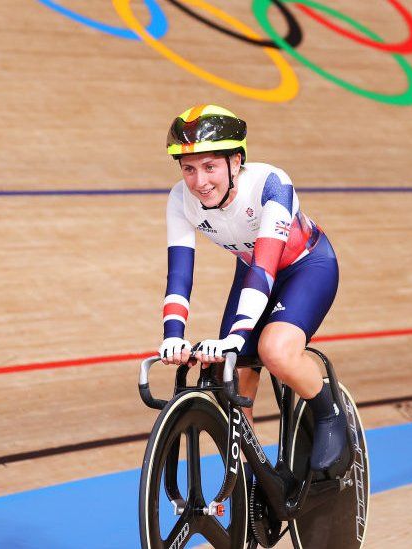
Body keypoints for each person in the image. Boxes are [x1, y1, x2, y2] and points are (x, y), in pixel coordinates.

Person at [156, 104, 349, 476]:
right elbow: (179, 276)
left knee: (273, 351)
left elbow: (265, 266)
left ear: (236, 162)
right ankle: (255, 475)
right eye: (189, 168)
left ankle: (330, 413)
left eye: (210, 166)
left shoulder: (271, 184)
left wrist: (238, 334)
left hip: (305, 268)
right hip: (252, 272)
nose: (199, 182)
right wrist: (172, 336)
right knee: (231, 373)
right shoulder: (180, 200)